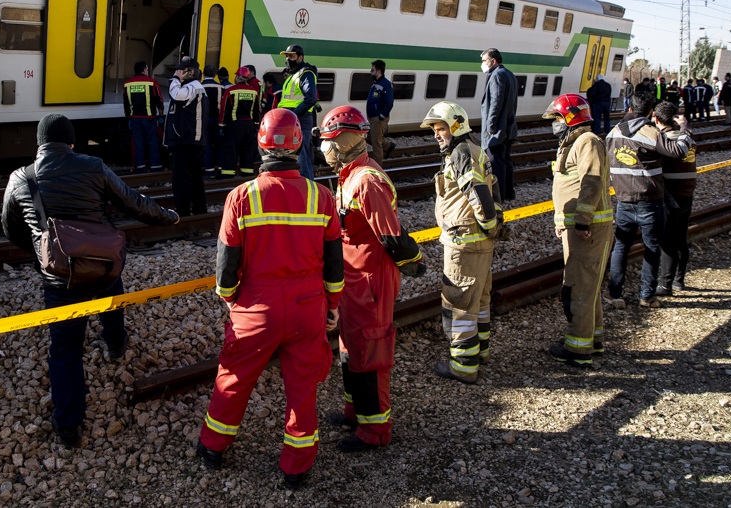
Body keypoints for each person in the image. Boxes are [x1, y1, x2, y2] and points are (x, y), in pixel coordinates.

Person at [1, 114, 179, 447]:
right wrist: (168, 216)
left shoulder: (21, 178)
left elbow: (11, 230)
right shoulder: (93, 165)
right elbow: (133, 202)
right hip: (101, 265)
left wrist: (43, 252)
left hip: (59, 277)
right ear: (71, 142)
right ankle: (114, 344)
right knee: (112, 293)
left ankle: (68, 426)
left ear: (39, 144)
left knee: (65, 348)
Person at [196, 109, 344, 490]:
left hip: (255, 307)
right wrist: (332, 305)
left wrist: (229, 299)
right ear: (299, 144)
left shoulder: (241, 197)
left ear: (261, 143)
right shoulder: (321, 196)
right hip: (307, 307)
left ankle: (213, 448)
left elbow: (227, 263)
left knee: (233, 378)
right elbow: (333, 263)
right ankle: (296, 467)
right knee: (302, 387)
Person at [318, 106, 424, 451]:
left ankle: (375, 431)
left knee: (371, 353)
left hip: (371, 281)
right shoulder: (349, 176)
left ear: (346, 142)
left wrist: (414, 261)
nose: (325, 152)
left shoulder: (366, 181)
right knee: (351, 348)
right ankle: (356, 411)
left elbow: (391, 237)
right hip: (354, 279)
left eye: (329, 143)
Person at [422, 101, 505, 383]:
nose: (436, 134)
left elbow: (479, 196)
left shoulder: (461, 153)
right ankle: (480, 351)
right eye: (434, 129)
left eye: (441, 127)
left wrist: (489, 226)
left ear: (456, 125)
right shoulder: (470, 150)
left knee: (459, 302)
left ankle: (463, 366)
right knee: (479, 299)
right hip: (477, 242)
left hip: (465, 243)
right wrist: (490, 231)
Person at [542, 94, 612, 366]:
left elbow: (591, 183)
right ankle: (590, 339)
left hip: (589, 230)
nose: (555, 124)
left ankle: (578, 350)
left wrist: (582, 220)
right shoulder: (573, 143)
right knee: (587, 285)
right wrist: (563, 221)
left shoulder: (588, 142)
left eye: (558, 118)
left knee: (579, 287)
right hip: (577, 229)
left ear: (571, 117)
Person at [605, 93, 693, 308]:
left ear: (629, 109)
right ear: (651, 112)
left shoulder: (612, 133)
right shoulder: (650, 132)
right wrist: (685, 130)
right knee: (652, 247)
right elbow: (679, 150)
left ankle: (615, 294)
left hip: (623, 200)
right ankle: (646, 296)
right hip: (650, 200)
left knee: (620, 247)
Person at [655, 102, 697, 295]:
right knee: (681, 238)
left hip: (670, 195)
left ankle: (665, 284)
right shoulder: (688, 139)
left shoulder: (666, 141)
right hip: (686, 193)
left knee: (668, 241)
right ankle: (679, 280)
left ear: (657, 119)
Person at [165, 57, 209, 216]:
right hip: (191, 140)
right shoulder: (195, 87)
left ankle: (183, 211)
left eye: (181, 70)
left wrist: (176, 79)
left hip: (187, 141)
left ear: (190, 71)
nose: (178, 73)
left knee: (182, 178)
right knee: (195, 178)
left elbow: (176, 95)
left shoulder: (193, 87)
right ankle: (199, 210)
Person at [480, 47, 518, 201]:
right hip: (508, 128)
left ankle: (498, 195)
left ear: (493, 61)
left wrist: (491, 127)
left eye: (484, 60)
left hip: (497, 130)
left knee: (496, 163)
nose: (482, 64)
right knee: (506, 161)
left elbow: (496, 102)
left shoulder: (496, 76)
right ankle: (508, 193)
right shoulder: (509, 74)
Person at [278, 44, 319, 179]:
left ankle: (308, 189)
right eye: (287, 56)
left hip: (299, 119)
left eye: (292, 56)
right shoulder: (293, 75)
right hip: (292, 118)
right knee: (295, 156)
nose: (288, 59)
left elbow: (311, 98)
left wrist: (294, 114)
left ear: (300, 58)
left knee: (301, 156)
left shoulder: (306, 73)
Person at [122, 61, 164, 173]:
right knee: (152, 142)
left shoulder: (127, 83)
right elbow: (159, 100)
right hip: (149, 118)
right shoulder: (152, 82)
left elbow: (125, 103)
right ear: (144, 69)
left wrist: (128, 118)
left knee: (138, 143)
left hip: (135, 119)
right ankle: (155, 167)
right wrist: (161, 115)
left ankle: (140, 167)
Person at [218, 67, 261, 178]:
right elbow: (257, 110)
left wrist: (221, 125)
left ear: (237, 77)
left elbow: (224, 110)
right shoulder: (253, 92)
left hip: (234, 126)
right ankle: (247, 174)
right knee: (247, 151)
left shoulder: (230, 91)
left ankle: (228, 175)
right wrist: (256, 124)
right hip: (249, 126)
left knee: (231, 151)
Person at [365, 60, 397, 164]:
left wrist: (381, 116)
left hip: (378, 119)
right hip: (373, 117)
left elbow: (389, 102)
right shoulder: (376, 83)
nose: (370, 72)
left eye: (372, 70)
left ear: (378, 71)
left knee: (376, 144)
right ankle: (388, 146)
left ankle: (377, 168)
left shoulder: (385, 84)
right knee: (369, 137)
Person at [202, 66, 227, 178]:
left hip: (203, 120)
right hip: (217, 120)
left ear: (203, 74)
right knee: (219, 144)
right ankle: (221, 168)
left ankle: (209, 171)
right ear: (215, 75)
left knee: (206, 145)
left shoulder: (200, 87)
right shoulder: (221, 87)